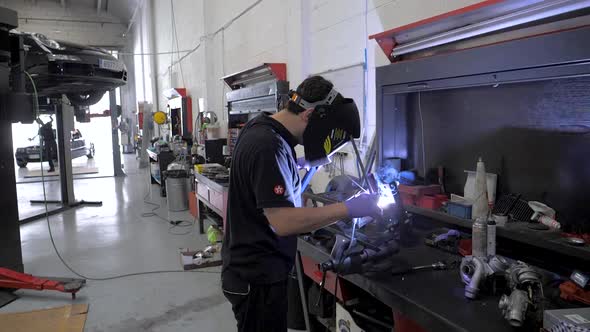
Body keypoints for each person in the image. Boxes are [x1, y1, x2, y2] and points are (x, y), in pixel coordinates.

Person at [221, 76, 382, 332]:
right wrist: (350, 208)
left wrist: (304, 164)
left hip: (253, 270)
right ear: (309, 115)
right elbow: (283, 222)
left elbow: (272, 185)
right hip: (257, 277)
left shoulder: (262, 128)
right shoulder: (267, 146)